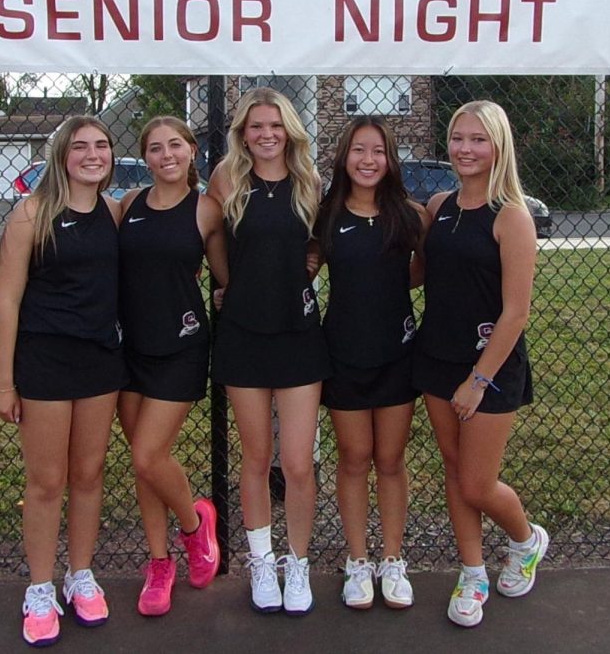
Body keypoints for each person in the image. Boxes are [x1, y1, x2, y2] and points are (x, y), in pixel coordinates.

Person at [411, 100, 548, 629]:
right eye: (458, 138)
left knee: (476, 483)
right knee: (454, 469)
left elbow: (516, 312)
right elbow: (417, 274)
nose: (465, 149)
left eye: (478, 140)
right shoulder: (439, 205)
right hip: (436, 356)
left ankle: (525, 539)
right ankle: (472, 572)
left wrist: (478, 379)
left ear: (498, 147)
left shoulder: (512, 216)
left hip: (489, 367)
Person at [0, 116, 127, 647]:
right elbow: (7, 301)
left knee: (89, 475)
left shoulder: (116, 213)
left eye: (101, 145)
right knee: (48, 483)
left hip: (100, 362)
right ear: (61, 156)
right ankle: (41, 588)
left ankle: (81, 575)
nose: (93, 155)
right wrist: (5, 383)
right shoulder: (30, 215)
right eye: (80, 147)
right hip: (45, 363)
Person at [207, 87, 330, 615]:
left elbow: (319, 241)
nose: (266, 134)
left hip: (299, 336)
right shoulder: (227, 178)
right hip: (243, 335)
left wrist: (307, 269)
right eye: (256, 126)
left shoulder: (310, 181)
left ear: (289, 131)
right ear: (243, 132)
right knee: (255, 459)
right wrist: (229, 284)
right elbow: (214, 242)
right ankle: (262, 560)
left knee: (298, 463)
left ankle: (297, 564)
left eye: (275, 125)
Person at [117, 116, 230, 617]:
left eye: (176, 146)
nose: (167, 155)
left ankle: (195, 527)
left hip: (181, 344)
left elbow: (226, 281)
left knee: (147, 455)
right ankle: (159, 564)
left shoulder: (206, 210)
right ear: (145, 158)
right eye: (156, 148)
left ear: (191, 152)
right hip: (128, 347)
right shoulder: (128, 206)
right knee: (146, 467)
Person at [311, 116, 426, 611]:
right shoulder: (326, 214)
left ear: (390, 158)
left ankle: (393, 559)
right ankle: (359, 561)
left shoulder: (409, 215)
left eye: (378, 151)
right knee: (354, 458)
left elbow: (422, 272)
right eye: (359, 150)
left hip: (396, 355)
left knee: (391, 460)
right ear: (344, 157)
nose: (368, 160)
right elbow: (304, 267)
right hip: (344, 355)